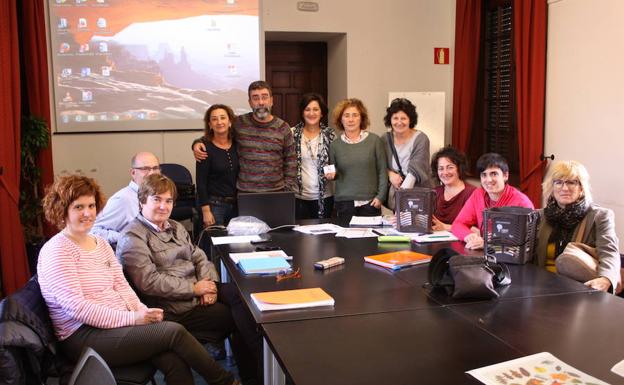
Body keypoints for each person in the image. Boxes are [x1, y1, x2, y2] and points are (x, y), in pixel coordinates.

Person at [37, 175, 238, 385]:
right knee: (173, 332)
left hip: (115, 324)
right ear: (62, 210)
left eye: (91, 205)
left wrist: (141, 311)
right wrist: (134, 319)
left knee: (173, 358)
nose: (87, 213)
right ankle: (225, 381)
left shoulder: (100, 243)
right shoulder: (57, 250)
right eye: (79, 207)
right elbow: (79, 309)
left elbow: (121, 285)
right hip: (82, 335)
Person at [116, 174, 261, 382]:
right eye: (156, 199)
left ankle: (260, 369)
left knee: (240, 297)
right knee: (239, 318)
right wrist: (194, 288)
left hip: (196, 293)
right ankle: (252, 373)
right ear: (141, 201)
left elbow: (199, 256)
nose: (163, 207)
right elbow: (149, 282)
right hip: (172, 308)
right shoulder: (133, 237)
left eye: (168, 201)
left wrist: (209, 285)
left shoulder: (175, 226)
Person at [193, 81, 296, 192]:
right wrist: (197, 143)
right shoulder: (239, 123)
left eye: (264, 97)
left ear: (271, 101)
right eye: (255, 98)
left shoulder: (283, 127)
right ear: (250, 102)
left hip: (277, 192)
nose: (261, 102)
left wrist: (287, 189)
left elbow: (291, 161)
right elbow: (218, 133)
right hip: (246, 193)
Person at [535, 160, 620, 292]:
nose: (564, 188)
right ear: (551, 187)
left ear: (581, 187)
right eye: (558, 182)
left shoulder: (599, 216)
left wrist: (606, 279)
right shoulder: (538, 216)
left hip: (581, 289)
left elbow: (609, 252)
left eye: (571, 182)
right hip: (540, 287)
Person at [451, 153, 534, 249]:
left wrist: (488, 244)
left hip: (510, 258)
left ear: (505, 175)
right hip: (485, 255)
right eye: (484, 175)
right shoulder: (478, 195)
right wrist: (469, 236)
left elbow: (525, 240)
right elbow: (458, 224)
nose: (488, 180)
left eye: (494, 174)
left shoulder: (521, 202)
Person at [326, 98, 387, 221]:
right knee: (343, 240)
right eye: (346, 115)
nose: (351, 119)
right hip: (344, 204)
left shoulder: (375, 141)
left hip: (370, 203)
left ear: (361, 118)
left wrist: (381, 196)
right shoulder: (335, 145)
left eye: (355, 115)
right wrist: (330, 175)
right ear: (341, 119)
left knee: (370, 240)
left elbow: (382, 171)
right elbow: (332, 172)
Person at [91, 151, 160, 247]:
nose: (152, 173)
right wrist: (126, 237)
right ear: (133, 173)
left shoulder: (156, 196)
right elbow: (92, 231)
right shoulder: (123, 199)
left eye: (155, 168)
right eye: (145, 169)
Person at [381, 98, 432, 210]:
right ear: (390, 120)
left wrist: (402, 199)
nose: (399, 122)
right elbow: (379, 164)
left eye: (403, 118)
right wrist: (390, 174)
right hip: (395, 196)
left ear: (410, 120)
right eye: (395, 118)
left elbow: (416, 171)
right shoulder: (385, 139)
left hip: (417, 196)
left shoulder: (421, 139)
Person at [291, 93, 336, 219]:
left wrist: (333, 172)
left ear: (321, 113)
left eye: (316, 109)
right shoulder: (292, 134)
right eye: (307, 109)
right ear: (302, 112)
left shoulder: (330, 135)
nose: (312, 113)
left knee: (322, 236)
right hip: (298, 196)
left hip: (324, 197)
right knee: (299, 236)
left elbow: (335, 162)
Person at [196, 104, 239, 226]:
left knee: (235, 243)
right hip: (214, 207)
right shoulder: (204, 148)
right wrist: (205, 211)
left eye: (222, 118)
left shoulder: (238, 144)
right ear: (210, 125)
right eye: (214, 119)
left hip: (237, 205)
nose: (219, 122)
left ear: (230, 122)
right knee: (215, 242)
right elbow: (201, 182)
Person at [430, 146, 477, 231]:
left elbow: (479, 230)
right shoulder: (434, 192)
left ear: (459, 168)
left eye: (450, 167)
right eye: (441, 168)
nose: (445, 172)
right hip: (433, 241)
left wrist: (446, 227)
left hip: (462, 242)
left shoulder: (473, 193)